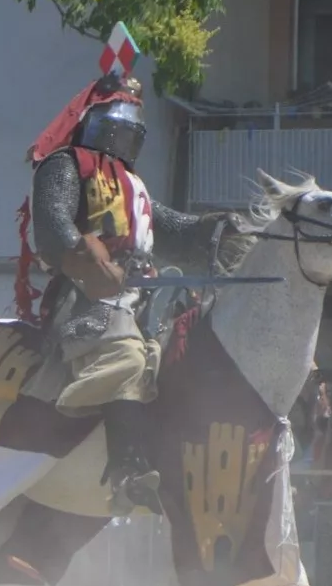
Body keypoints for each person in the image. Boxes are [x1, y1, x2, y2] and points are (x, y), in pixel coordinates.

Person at [19, 57, 232, 514]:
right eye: (116, 127)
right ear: (93, 123)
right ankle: (126, 470)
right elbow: (54, 224)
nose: (124, 136)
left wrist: (218, 230)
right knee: (127, 356)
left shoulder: (131, 184)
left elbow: (172, 231)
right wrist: (85, 250)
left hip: (147, 296)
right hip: (88, 295)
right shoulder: (66, 166)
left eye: (131, 130)